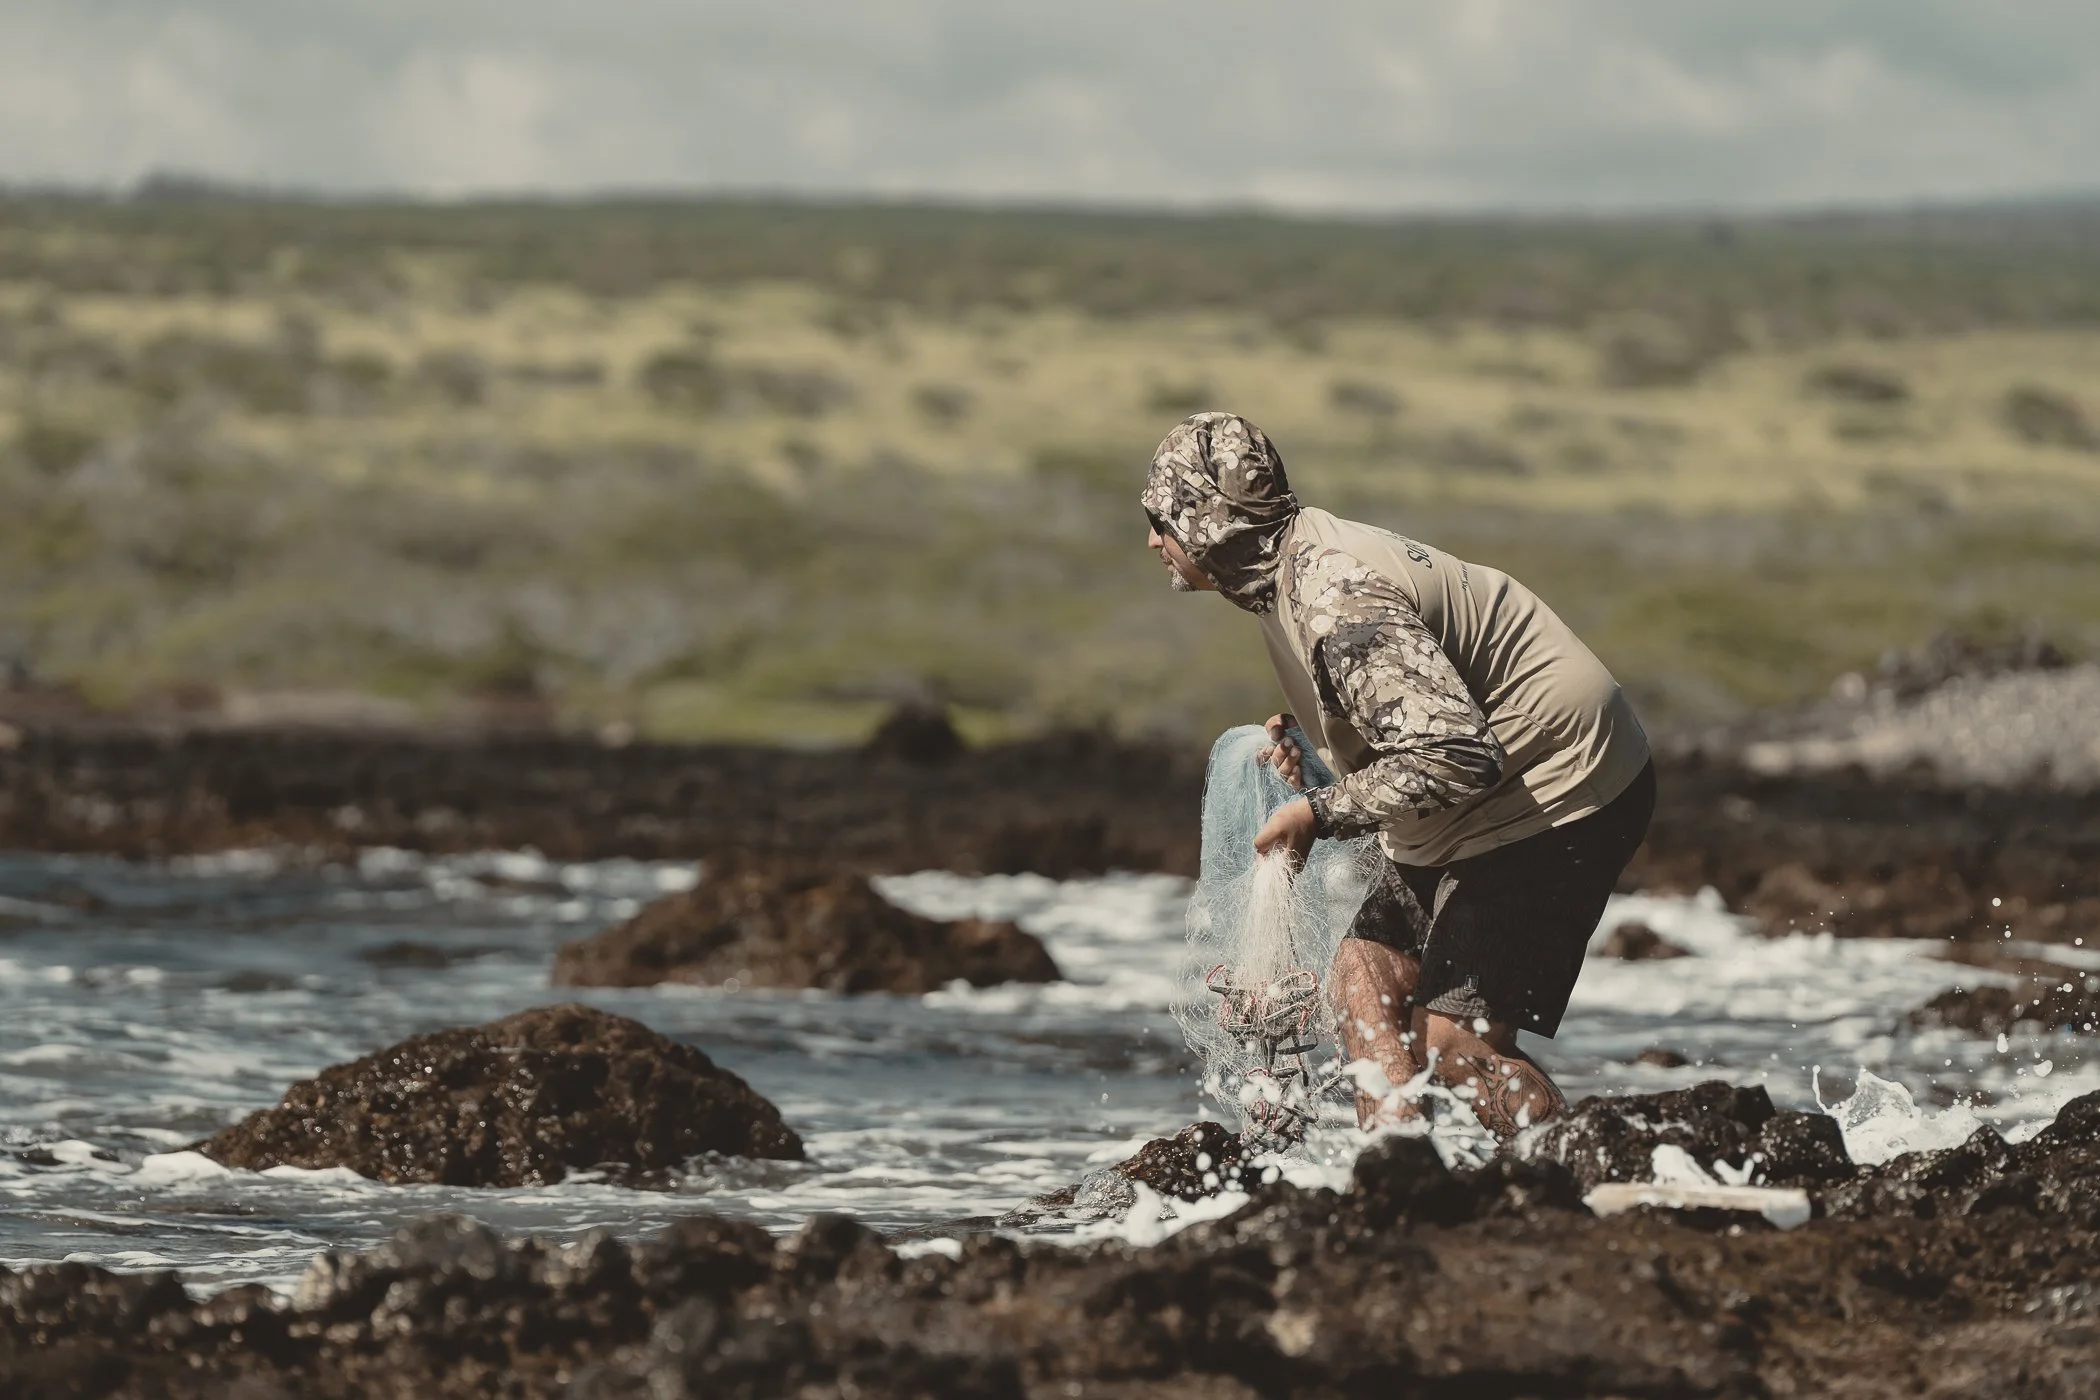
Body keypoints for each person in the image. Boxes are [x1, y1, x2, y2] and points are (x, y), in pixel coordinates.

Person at [1141, 412, 1654, 1138]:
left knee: (1459, 1046)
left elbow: (1454, 754)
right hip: (1481, 794)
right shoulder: (1281, 573)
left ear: (1208, 521)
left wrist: (1318, 813)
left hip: (1557, 787)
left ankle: (1580, 1180)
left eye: (1161, 518)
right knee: (1363, 985)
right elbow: (1418, 726)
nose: (1153, 540)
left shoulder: (1335, 596)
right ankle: (1398, 1179)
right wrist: (1326, 767)